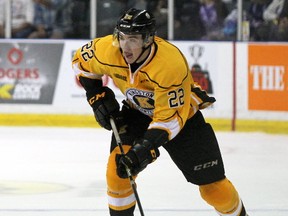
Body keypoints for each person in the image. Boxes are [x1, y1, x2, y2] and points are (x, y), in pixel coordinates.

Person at [72, 8, 249, 216]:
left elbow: (169, 120)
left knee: (215, 191)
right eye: (121, 37)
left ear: (148, 40)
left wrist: (145, 148)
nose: (125, 47)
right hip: (137, 111)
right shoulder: (107, 49)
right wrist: (97, 96)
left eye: (133, 40)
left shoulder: (169, 64)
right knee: (117, 173)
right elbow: (80, 63)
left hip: (183, 119)